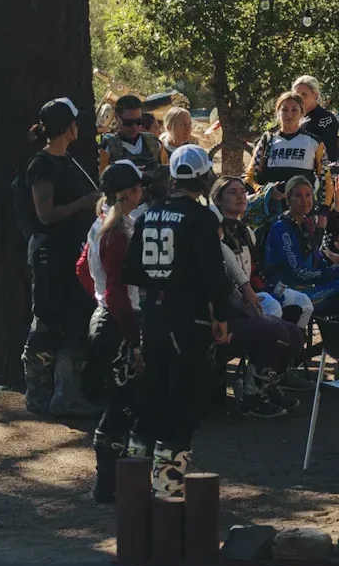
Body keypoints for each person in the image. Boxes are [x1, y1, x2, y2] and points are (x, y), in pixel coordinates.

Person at [120, 144, 232, 497]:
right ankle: (168, 488)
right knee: (183, 400)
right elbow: (214, 275)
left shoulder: (149, 213)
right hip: (187, 319)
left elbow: (131, 269)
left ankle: (134, 485)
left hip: (152, 315)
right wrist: (222, 317)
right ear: (202, 178)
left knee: (152, 392)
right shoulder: (201, 218)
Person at [21, 98, 105, 417]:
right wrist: (83, 203)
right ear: (67, 126)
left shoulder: (70, 160)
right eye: (75, 121)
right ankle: (37, 392)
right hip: (49, 254)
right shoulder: (42, 165)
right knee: (46, 319)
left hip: (73, 253)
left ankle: (66, 393)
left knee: (76, 316)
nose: (78, 126)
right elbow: (45, 214)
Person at [210, 175, 303, 417]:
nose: (241, 195)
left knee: (293, 333)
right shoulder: (210, 229)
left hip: (244, 301)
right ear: (217, 199)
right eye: (232, 192)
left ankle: (267, 384)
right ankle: (251, 394)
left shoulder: (246, 232)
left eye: (243, 191)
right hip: (219, 309)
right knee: (275, 329)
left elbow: (252, 274)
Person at [79, 159, 144, 501]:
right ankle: (106, 485)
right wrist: (133, 337)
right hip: (119, 321)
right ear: (131, 192)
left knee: (127, 401)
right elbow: (118, 289)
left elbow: (82, 269)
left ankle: (118, 482)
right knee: (122, 404)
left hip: (107, 316)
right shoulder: (118, 231)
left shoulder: (102, 223)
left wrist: (99, 297)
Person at [264, 176, 339, 323]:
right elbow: (299, 272)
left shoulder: (306, 223)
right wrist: (338, 271)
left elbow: (318, 260)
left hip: (308, 287)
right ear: (288, 199)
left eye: (308, 194)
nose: (305, 200)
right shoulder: (282, 228)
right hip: (289, 291)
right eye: (298, 195)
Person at [249, 91, 336, 216]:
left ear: (302, 113)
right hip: (270, 213)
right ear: (278, 112)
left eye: (294, 110)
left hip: (303, 214)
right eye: (284, 110)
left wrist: (323, 212)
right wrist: (266, 191)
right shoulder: (267, 140)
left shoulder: (314, 142)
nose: (289, 114)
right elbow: (250, 176)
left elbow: (325, 180)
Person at [99, 93, 167, 178]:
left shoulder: (155, 143)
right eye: (128, 123)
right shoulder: (108, 146)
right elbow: (103, 182)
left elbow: (166, 176)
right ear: (117, 118)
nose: (134, 127)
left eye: (139, 121)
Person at [293, 75, 339, 164]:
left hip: (322, 170)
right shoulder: (298, 118)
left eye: (304, 95)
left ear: (315, 95)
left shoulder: (325, 118)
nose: (300, 99)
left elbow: (329, 150)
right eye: (297, 95)